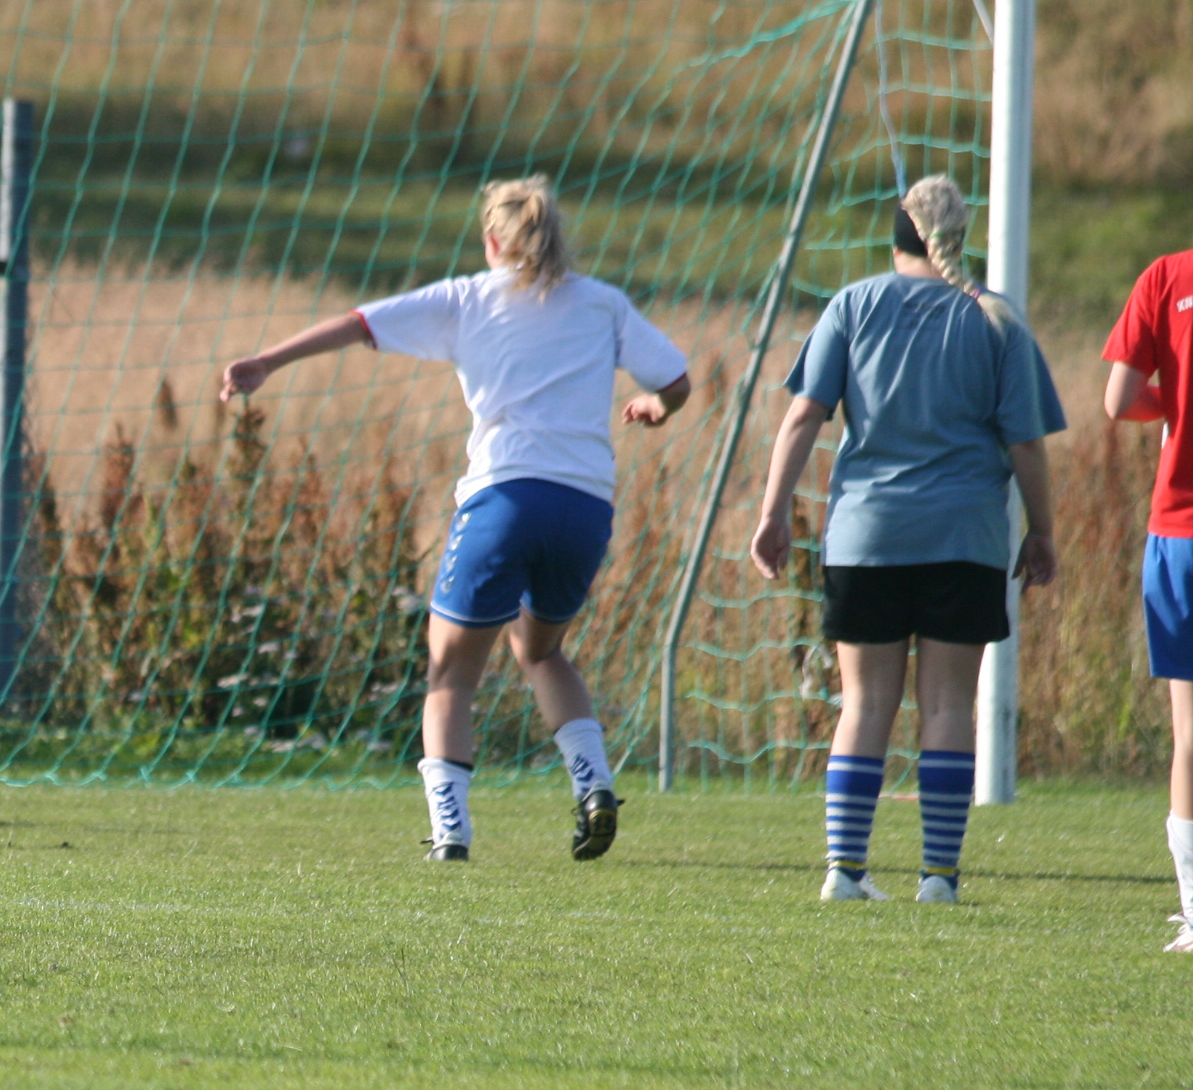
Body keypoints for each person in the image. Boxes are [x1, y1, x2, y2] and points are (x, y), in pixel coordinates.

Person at [219, 175, 691, 862]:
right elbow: (676, 380)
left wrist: (267, 360)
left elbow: (358, 324)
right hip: (585, 508)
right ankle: (594, 787)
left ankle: (451, 835)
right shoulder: (602, 302)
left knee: (451, 675)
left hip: (505, 500)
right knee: (541, 651)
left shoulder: (468, 297)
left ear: (492, 240)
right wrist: (655, 407)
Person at [747, 175, 1062, 905]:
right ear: (959, 239)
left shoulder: (853, 305)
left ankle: (844, 870)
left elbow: (803, 416)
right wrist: (1042, 531)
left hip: (867, 535)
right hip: (965, 537)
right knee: (948, 705)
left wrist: (772, 513)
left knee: (864, 704)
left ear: (896, 238)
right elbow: (1027, 444)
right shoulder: (996, 319)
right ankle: (938, 878)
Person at [1099, 244, 1193, 952]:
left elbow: (1118, 399)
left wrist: (1178, 400)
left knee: (1192, 731)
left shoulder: (1168, 276)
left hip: (1185, 531)